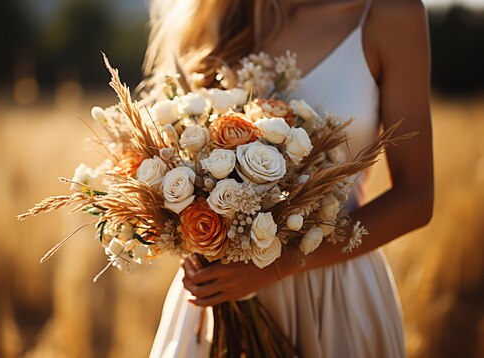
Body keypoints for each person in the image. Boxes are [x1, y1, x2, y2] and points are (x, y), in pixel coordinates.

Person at [145, 0, 434, 357]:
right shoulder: (226, 12)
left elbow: (416, 199)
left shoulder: (390, 14)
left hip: (334, 294)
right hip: (219, 296)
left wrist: (277, 267)